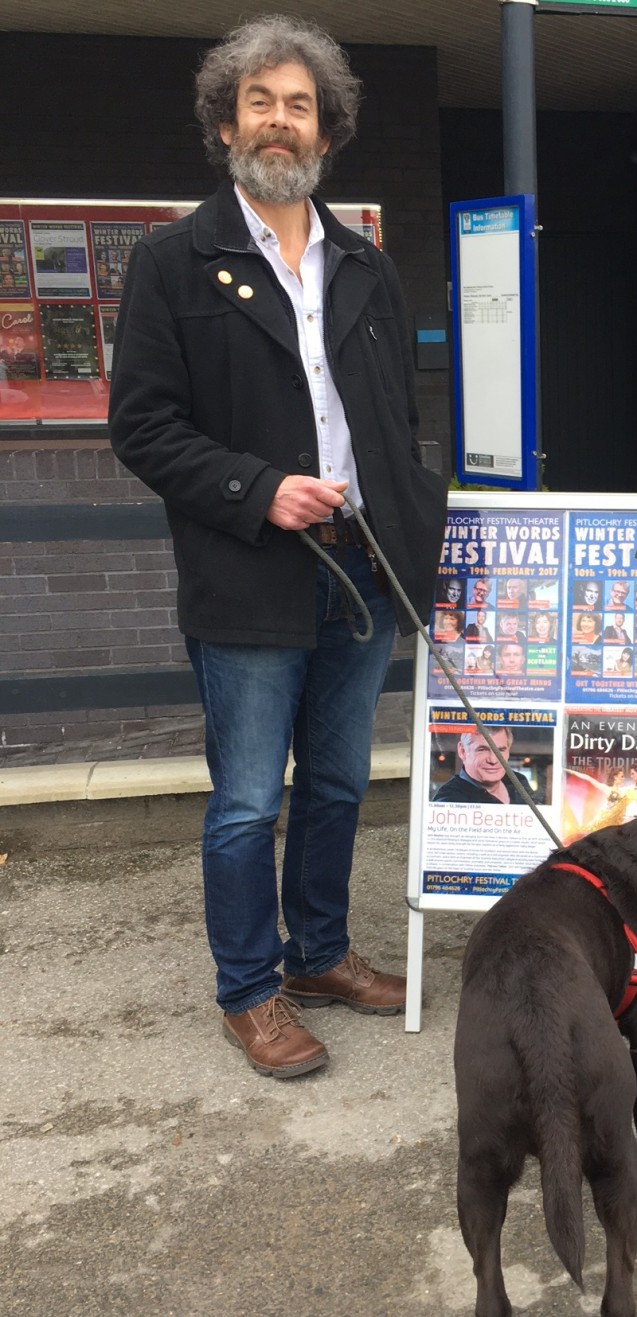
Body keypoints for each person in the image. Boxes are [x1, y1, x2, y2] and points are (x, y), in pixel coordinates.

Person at [107, 15, 448, 1080]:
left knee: (341, 783)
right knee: (251, 797)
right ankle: (249, 989)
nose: (281, 121)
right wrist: (259, 490)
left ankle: (320, 955)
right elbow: (144, 428)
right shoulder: (175, 260)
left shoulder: (364, 265)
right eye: (261, 102)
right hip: (247, 568)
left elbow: (393, 427)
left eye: (300, 105)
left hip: (359, 572)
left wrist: (423, 560)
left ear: (327, 131)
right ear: (226, 124)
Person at [433, 727, 514, 804]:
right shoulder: (449, 800)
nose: (493, 760)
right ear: (463, 751)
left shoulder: (519, 780)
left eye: (501, 750)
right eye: (482, 750)